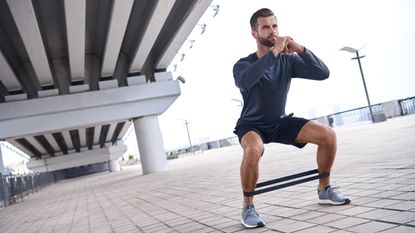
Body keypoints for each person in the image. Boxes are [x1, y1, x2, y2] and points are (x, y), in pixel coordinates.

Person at [233, 8, 351, 228]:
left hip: (279, 121)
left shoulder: (288, 61)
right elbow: (246, 81)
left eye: (274, 26)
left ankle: (324, 188)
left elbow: (322, 73)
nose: (272, 31)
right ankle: (247, 206)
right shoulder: (243, 64)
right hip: (251, 125)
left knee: (328, 135)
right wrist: (275, 52)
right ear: (254, 33)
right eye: (265, 27)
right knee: (252, 149)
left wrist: (301, 49)